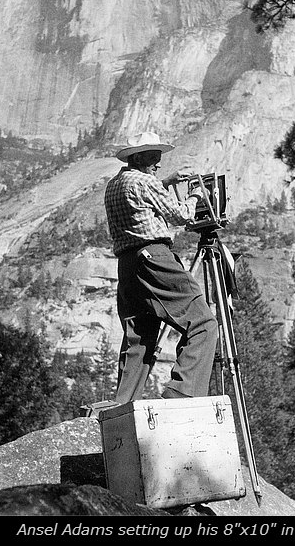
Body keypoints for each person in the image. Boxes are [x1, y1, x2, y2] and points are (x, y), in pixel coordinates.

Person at [104, 131, 218, 404]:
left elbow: (140, 204)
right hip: (155, 259)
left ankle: (122, 405)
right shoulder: (145, 182)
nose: (158, 163)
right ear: (139, 156)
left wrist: (164, 184)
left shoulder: (115, 184)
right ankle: (183, 392)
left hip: (128, 266)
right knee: (203, 323)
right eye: (154, 156)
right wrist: (196, 197)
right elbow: (181, 216)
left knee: (139, 340)